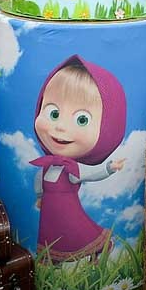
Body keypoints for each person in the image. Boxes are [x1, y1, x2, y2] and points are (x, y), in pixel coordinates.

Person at [30, 55, 127, 262]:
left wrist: (109, 167)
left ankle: (99, 247)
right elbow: (40, 181)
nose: (60, 127)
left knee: (76, 232)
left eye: (82, 120)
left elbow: (91, 173)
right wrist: (39, 196)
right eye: (53, 113)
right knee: (50, 236)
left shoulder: (72, 168)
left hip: (68, 211)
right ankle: (50, 262)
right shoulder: (46, 166)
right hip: (49, 212)